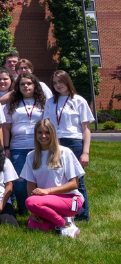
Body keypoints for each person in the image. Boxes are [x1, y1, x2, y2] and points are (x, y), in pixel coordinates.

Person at [42, 70, 94, 221]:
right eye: (55, 83)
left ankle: (81, 215)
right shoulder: (50, 102)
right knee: (57, 179)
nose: (58, 85)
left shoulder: (78, 101)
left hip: (74, 143)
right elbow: (46, 125)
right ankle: (61, 213)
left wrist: (86, 152)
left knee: (76, 181)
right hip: (55, 143)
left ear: (68, 82)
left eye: (61, 82)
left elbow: (86, 129)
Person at [21, 119, 85, 238]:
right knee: (34, 226)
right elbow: (30, 185)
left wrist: (47, 191)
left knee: (30, 201)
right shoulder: (31, 156)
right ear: (35, 134)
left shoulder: (65, 152)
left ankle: (66, 224)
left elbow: (74, 184)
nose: (43, 136)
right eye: (40, 132)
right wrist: (34, 211)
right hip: (45, 202)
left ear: (53, 134)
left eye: (47, 132)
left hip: (72, 200)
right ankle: (60, 219)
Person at [3, 72, 45, 213]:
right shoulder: (12, 104)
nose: (26, 86)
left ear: (35, 85)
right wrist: (6, 147)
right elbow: (6, 128)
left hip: (40, 147)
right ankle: (23, 208)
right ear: (18, 87)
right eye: (22, 84)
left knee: (40, 179)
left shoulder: (44, 103)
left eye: (29, 83)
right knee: (20, 181)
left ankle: (39, 206)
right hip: (18, 147)